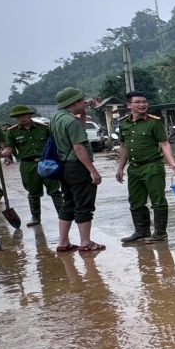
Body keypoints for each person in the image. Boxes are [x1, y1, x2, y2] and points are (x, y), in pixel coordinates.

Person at [114, 91, 175, 246]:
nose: (142, 105)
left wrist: (172, 163)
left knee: (158, 200)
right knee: (135, 201)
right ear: (129, 105)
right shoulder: (123, 123)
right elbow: (123, 146)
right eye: (137, 102)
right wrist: (120, 168)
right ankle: (141, 231)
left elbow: (164, 143)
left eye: (144, 102)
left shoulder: (153, 122)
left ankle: (160, 233)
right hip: (134, 168)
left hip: (152, 166)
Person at [51, 88, 104, 254]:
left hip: (64, 167)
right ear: (73, 103)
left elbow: (76, 131)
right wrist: (92, 171)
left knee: (69, 203)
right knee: (84, 205)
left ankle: (63, 242)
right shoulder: (70, 121)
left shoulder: (57, 118)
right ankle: (86, 242)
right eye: (81, 101)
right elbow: (79, 147)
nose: (84, 103)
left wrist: (83, 114)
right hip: (77, 166)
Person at [0, 105, 62, 224]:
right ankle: (36, 217)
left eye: (24, 115)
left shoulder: (44, 128)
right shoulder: (12, 132)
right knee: (33, 192)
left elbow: (57, 144)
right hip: (28, 165)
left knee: (55, 190)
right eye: (19, 116)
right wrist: (0, 155)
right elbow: (9, 149)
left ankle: (63, 215)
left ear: (30, 115)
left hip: (47, 162)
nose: (22, 118)